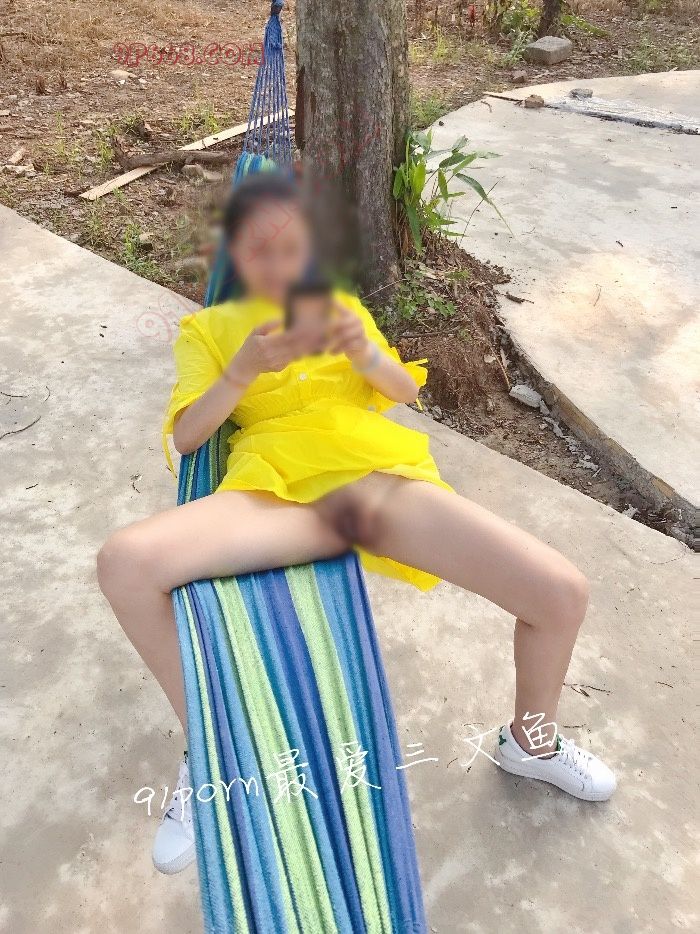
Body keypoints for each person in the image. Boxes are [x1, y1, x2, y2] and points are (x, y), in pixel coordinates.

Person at [97, 172, 616, 876]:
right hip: (280, 494)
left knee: (561, 592)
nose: (279, 263)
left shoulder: (341, 308)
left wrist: (362, 351)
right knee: (125, 563)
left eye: (293, 246)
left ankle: (533, 742)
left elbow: (402, 391)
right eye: (259, 248)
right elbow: (190, 437)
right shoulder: (207, 332)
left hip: (377, 485)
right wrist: (242, 370)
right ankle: (217, 748)